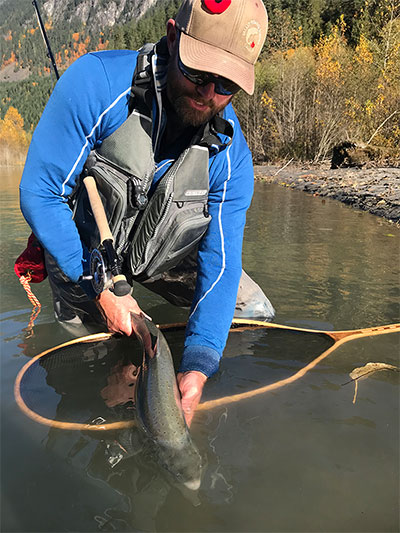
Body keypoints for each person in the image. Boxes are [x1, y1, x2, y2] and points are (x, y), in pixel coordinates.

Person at [19, 0, 274, 426]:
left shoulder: (231, 155)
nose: (209, 94)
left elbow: (221, 262)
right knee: (94, 353)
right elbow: (41, 194)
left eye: (226, 83)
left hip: (161, 253)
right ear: (172, 37)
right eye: (198, 73)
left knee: (253, 314)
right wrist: (99, 288)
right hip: (84, 253)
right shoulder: (97, 84)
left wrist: (199, 363)